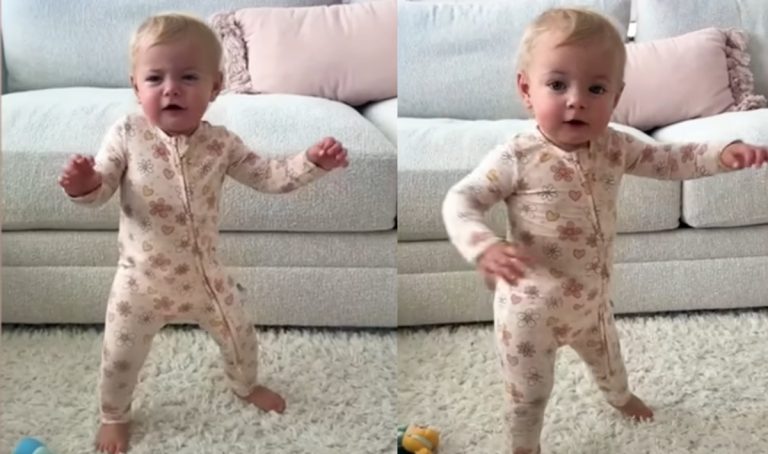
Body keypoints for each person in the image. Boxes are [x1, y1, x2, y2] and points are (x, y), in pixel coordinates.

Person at [442, 7, 767, 453]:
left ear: (615, 97)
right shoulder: (516, 156)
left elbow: (669, 159)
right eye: (557, 85)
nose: (577, 99)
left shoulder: (615, 145)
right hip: (528, 310)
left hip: (591, 301)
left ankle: (619, 398)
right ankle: (524, 446)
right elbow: (461, 199)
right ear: (526, 90)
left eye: (596, 88)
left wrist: (721, 153)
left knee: (610, 363)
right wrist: (483, 245)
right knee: (528, 395)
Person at [58, 13, 349, 454]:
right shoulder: (127, 134)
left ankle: (245, 385)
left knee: (240, 336)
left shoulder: (222, 144)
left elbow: (270, 176)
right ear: (136, 88)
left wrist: (312, 162)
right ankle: (114, 414)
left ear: (214, 87)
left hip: (206, 279)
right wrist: (83, 184)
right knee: (119, 355)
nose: (170, 88)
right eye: (155, 78)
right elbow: (100, 186)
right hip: (139, 281)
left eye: (188, 77)